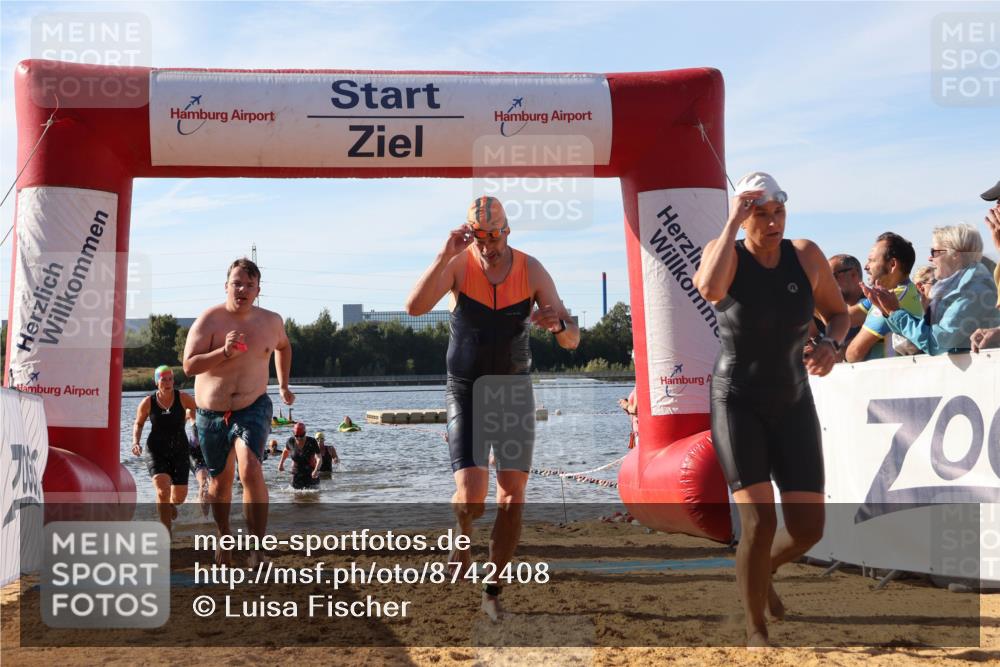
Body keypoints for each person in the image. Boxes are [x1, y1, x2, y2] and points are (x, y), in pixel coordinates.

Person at [405, 195, 580, 621]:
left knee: (512, 496)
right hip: (465, 388)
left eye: (495, 235)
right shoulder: (458, 264)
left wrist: (558, 323)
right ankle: (461, 537)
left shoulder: (531, 269)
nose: (488, 245)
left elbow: (572, 337)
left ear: (508, 230)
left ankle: (492, 589)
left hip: (513, 390)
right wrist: (442, 254)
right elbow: (414, 308)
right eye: (479, 237)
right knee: (471, 497)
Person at [692, 172, 848, 648]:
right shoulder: (726, 255)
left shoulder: (805, 256)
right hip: (737, 401)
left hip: (794, 400)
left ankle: (761, 572)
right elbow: (709, 289)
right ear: (744, 219)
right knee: (760, 523)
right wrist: (732, 221)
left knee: (808, 530)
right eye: (761, 215)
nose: (773, 223)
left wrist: (833, 346)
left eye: (779, 212)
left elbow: (838, 314)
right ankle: (755, 628)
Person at [183, 258, 294, 566]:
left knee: (250, 469)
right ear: (226, 286)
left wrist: (283, 383)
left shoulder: (271, 322)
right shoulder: (209, 320)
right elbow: (189, 366)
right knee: (219, 482)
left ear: (259, 290)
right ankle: (224, 537)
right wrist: (224, 352)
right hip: (210, 413)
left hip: (253, 407)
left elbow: (284, 347)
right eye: (237, 283)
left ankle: (257, 549)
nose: (242, 289)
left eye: (249, 284)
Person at [864, 224, 1000, 356]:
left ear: (955, 255)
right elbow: (923, 340)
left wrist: (895, 312)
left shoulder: (973, 291)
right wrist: (888, 311)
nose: (930, 258)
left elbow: (936, 342)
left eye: (934, 252)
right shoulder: (958, 289)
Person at [131, 366, 199, 532]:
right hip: (156, 450)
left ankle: (169, 505)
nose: (168, 383)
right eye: (163, 379)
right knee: (162, 491)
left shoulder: (182, 398)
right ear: (156, 382)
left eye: (170, 379)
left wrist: (195, 424)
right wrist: (135, 442)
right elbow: (139, 423)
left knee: (179, 497)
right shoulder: (148, 402)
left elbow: (199, 409)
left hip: (180, 449)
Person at [845, 233, 922, 362]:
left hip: (888, 379)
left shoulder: (893, 298)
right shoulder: (893, 292)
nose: (866, 267)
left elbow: (853, 354)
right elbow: (846, 318)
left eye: (872, 260)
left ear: (892, 265)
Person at [278, 422, 322, 489]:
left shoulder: (312, 442)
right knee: (295, 495)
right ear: (293, 434)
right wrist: (281, 464)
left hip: (311, 472)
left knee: (313, 496)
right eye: (296, 436)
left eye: (301, 436)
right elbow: (286, 451)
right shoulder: (291, 441)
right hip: (296, 472)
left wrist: (316, 470)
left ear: (305, 433)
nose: (299, 438)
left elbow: (319, 457)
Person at [185, 408, 211, 517]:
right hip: (195, 453)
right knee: (204, 482)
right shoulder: (192, 411)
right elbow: (177, 428)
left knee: (215, 485)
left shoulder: (222, 409)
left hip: (212, 453)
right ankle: (204, 519)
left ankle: (210, 514)